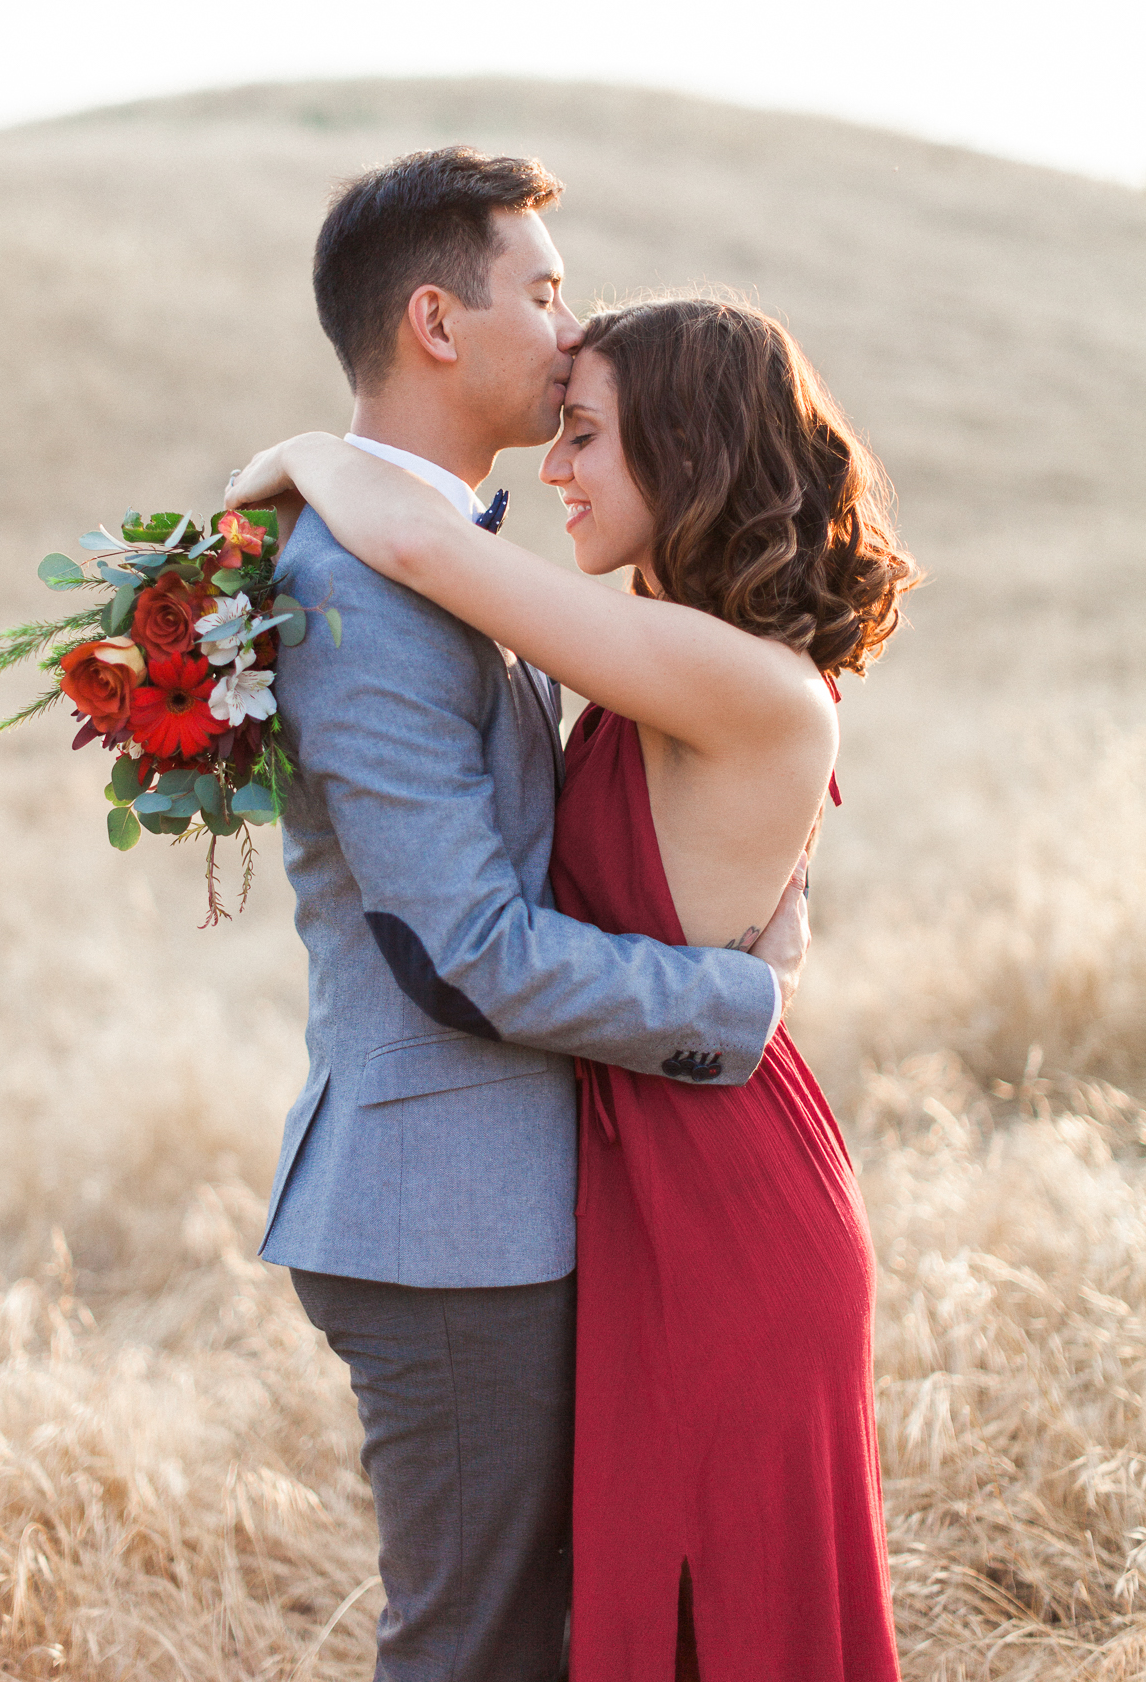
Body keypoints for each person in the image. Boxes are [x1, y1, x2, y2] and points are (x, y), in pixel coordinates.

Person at [230, 290, 917, 1679]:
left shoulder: (740, 680)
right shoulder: (676, 662)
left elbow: (423, 541)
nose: (556, 468)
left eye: (590, 436)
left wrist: (301, 457)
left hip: (721, 1200)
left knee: (724, 1618)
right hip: (641, 1165)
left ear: (691, 449)